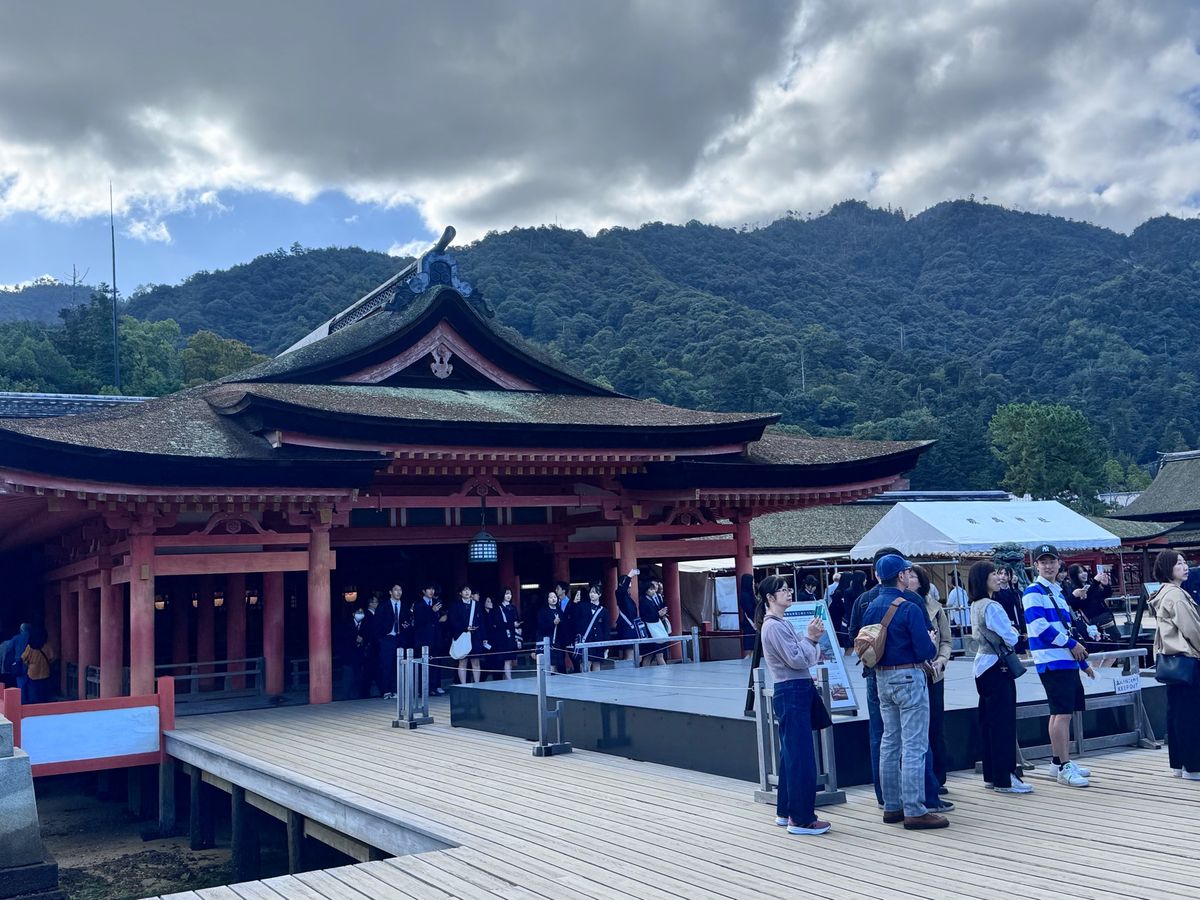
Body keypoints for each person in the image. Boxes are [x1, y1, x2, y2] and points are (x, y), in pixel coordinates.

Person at [861, 554, 947, 830]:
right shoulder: (910, 605)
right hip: (909, 676)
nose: (910, 576)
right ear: (900, 576)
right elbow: (925, 650)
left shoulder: (871, 605)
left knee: (890, 742)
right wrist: (932, 641)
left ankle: (892, 805)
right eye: (907, 572)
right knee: (914, 744)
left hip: (881, 677)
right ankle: (915, 809)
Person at [758, 574, 831, 836]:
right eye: (783, 590)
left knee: (791, 752)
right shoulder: (775, 626)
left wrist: (807, 640)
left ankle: (786, 810)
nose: (789, 593)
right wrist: (811, 639)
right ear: (770, 598)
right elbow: (798, 659)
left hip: (790, 689)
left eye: (789, 589)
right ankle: (801, 819)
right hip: (792, 689)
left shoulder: (778, 623)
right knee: (800, 755)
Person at [1022, 544, 1094, 788]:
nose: (1048, 565)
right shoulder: (1033, 590)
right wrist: (1071, 644)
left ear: (1059, 563)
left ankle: (1057, 762)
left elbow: (1066, 625)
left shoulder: (1056, 590)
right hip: (1052, 659)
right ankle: (1064, 766)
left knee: (1061, 712)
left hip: (1064, 658)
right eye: (1043, 562)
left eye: (1051, 561)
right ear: (1036, 565)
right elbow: (1039, 625)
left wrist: (1081, 661)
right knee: (1061, 713)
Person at [968, 561, 1032, 794]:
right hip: (998, 666)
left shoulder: (975, 604)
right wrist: (1014, 632)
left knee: (988, 722)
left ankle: (992, 775)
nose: (999, 577)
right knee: (1003, 723)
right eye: (993, 574)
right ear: (983, 579)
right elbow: (1010, 636)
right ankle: (1005, 777)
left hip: (982, 665)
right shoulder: (992, 606)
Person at [848, 546, 903, 808]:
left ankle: (883, 793)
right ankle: (909, 791)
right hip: (903, 672)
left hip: (872, 672)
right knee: (907, 734)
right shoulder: (906, 600)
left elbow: (854, 637)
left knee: (878, 732)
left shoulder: (863, 600)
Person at [1148, 550, 1200, 779]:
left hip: (1171, 660)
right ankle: (1193, 765)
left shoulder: (1163, 592)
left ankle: (1179, 764)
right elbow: (1192, 630)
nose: (1185, 566)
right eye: (1179, 563)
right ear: (1168, 568)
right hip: (1187, 657)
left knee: (1177, 712)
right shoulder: (1176, 595)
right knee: (1190, 714)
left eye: (1185, 562)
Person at [914, 565, 952, 794]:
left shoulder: (936, 608)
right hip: (913, 673)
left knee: (936, 725)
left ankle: (939, 776)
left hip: (935, 675)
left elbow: (947, 640)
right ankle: (923, 779)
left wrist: (941, 660)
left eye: (912, 576)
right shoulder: (901, 606)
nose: (907, 579)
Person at [412, 583, 446, 695]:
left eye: (432, 589)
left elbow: (442, 616)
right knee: (424, 663)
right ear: (423, 591)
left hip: (436, 637)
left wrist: (443, 616)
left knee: (436, 661)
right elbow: (419, 621)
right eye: (429, 589)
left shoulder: (437, 602)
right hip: (424, 638)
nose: (431, 591)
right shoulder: (418, 604)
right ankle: (424, 688)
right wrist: (432, 611)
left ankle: (435, 685)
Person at [373, 585, 406, 700]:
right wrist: (381, 636)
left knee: (400, 665)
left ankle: (398, 690)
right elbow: (377, 623)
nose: (398, 592)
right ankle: (386, 690)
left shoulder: (404, 605)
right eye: (396, 590)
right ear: (390, 592)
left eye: (400, 590)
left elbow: (407, 620)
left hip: (400, 638)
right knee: (386, 665)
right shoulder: (383, 606)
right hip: (387, 637)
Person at [448, 585, 483, 684]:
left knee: (475, 661)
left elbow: (481, 621)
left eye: (468, 590)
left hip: (475, 636)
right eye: (464, 590)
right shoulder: (455, 605)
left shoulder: (476, 605)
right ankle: (463, 684)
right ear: (460, 593)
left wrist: (483, 637)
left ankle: (477, 684)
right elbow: (452, 621)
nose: (467, 592)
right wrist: (464, 628)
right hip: (461, 635)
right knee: (462, 661)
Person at [992, 567, 1027, 654]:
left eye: (1006, 574)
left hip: (1015, 624)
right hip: (1001, 624)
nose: (1003, 576)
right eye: (1001, 573)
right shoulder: (994, 593)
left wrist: (1024, 630)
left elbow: (1020, 612)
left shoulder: (1016, 593)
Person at [576, 584, 610, 672]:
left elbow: (606, 629)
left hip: (598, 641)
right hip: (586, 640)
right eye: (591, 592)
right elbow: (575, 620)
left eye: (595, 593)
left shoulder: (604, 611)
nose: (592, 594)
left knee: (597, 665)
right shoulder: (582, 606)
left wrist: (606, 646)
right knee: (585, 665)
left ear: (600, 594)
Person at [341, 606, 372, 698]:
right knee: (348, 678)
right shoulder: (346, 625)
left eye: (362, 612)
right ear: (353, 614)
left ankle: (361, 696)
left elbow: (370, 637)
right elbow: (343, 639)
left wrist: (363, 640)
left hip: (362, 656)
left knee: (361, 677)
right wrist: (355, 639)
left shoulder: (366, 625)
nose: (360, 614)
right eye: (358, 612)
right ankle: (346, 697)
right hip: (349, 656)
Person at [489, 589, 520, 680]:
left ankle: (508, 677)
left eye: (510, 594)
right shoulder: (498, 608)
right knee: (505, 659)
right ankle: (508, 679)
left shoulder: (513, 607)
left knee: (510, 660)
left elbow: (516, 619)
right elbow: (497, 624)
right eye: (506, 594)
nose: (508, 596)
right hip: (502, 637)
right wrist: (511, 624)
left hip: (512, 636)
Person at [19, 626, 53, 704]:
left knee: (33, 693)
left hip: (32, 672)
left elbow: (23, 658)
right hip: (45, 672)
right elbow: (52, 657)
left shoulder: (30, 647)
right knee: (43, 692)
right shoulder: (46, 645)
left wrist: (29, 664)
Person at [535, 590, 567, 673]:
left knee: (560, 664)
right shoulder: (543, 611)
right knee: (551, 664)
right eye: (551, 597)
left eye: (555, 597)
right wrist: (553, 623)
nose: (553, 599)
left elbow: (564, 625)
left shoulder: (560, 611)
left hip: (558, 642)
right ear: (547, 599)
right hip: (548, 641)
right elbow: (541, 627)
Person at [639, 581, 669, 666]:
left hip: (655, 629)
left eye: (653, 589)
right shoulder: (643, 601)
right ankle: (665, 673)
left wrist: (661, 613)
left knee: (651, 655)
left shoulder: (651, 600)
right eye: (651, 589)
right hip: (650, 631)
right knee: (656, 655)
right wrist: (658, 614)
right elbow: (645, 617)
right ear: (646, 590)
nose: (653, 591)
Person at [614, 568, 641, 662]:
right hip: (626, 626)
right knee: (629, 652)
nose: (629, 583)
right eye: (627, 581)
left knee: (634, 651)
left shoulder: (628, 597)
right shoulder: (619, 594)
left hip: (632, 626)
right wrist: (629, 576)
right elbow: (621, 590)